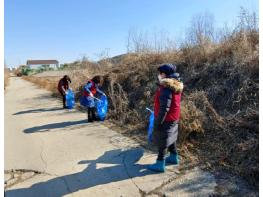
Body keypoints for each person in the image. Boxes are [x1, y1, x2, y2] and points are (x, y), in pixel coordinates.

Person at [148, 64, 183, 172]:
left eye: (160, 73)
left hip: (166, 118)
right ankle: (173, 157)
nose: (159, 75)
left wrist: (158, 122)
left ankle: (160, 163)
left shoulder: (166, 88)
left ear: (165, 74)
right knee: (171, 136)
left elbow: (164, 108)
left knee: (162, 139)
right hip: (174, 116)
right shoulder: (176, 84)